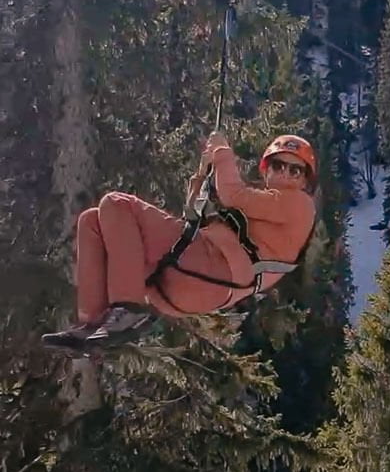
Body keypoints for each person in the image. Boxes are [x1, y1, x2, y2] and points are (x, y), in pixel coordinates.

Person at [42, 132, 317, 352]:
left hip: (210, 270)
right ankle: (92, 322)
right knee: (92, 221)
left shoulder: (300, 205)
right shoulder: (267, 210)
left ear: (306, 180)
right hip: (196, 282)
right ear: (267, 169)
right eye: (278, 165)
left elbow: (233, 194)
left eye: (295, 171)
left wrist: (222, 153)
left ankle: (127, 308)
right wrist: (203, 175)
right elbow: (195, 213)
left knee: (116, 203)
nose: (285, 174)